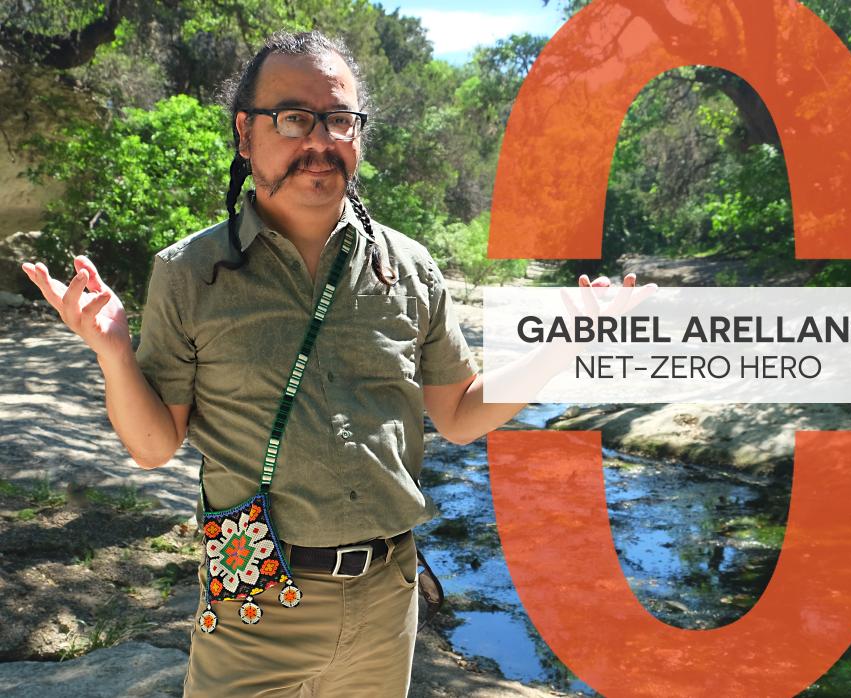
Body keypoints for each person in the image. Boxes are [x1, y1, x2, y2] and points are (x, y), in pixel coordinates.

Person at [21, 29, 644, 698]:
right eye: (293, 117)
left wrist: (564, 345)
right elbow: (153, 445)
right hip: (254, 603)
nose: (319, 140)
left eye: (340, 119)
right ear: (245, 133)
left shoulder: (409, 268)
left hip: (387, 598)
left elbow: (460, 415)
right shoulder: (189, 273)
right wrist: (113, 351)